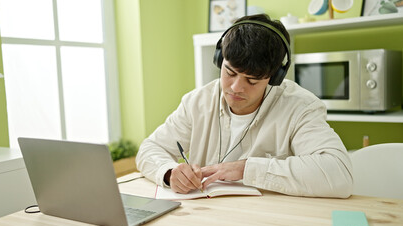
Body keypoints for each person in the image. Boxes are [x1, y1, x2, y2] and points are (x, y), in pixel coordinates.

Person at [136, 14, 353, 198]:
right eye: (229, 72)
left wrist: (246, 169)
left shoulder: (301, 107)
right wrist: (169, 172)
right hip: (203, 219)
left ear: (274, 77)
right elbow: (149, 149)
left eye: (252, 80)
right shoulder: (197, 102)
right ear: (220, 59)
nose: (236, 87)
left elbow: (339, 175)